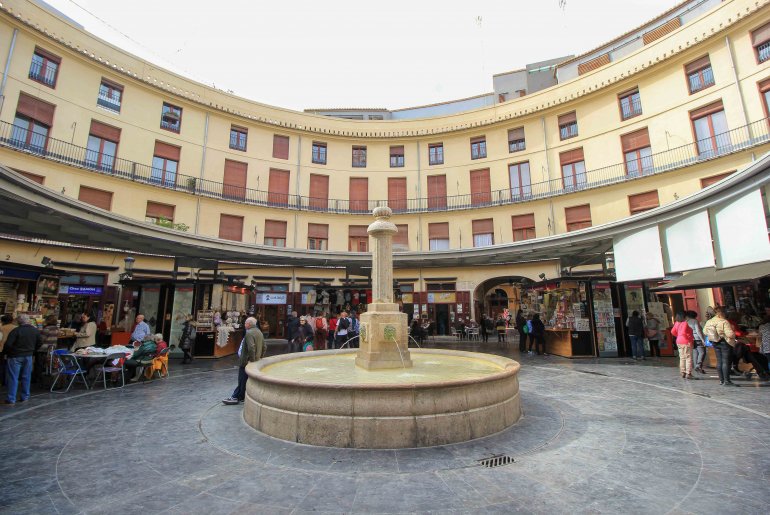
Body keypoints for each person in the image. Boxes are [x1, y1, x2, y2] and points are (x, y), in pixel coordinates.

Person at [222, 317, 264, 405]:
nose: (244, 325)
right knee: (243, 380)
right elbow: (264, 346)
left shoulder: (249, 333)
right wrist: (260, 357)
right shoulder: (259, 332)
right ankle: (239, 396)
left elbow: (251, 347)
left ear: (249, 324)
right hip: (254, 360)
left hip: (246, 361)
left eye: (245, 323)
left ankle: (235, 397)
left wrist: (252, 359)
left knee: (241, 379)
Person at [3, 314, 42, 405]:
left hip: (15, 356)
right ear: (28, 321)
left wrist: (6, 352)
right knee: (26, 376)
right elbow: (39, 342)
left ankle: (11, 398)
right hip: (28, 355)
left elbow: (8, 344)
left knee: (13, 377)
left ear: (18, 321)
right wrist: (33, 350)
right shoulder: (35, 331)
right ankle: (25, 396)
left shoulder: (16, 331)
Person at [703, 307, 736, 386]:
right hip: (724, 342)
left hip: (715, 342)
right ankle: (727, 381)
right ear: (723, 313)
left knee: (719, 361)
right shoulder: (724, 321)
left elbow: (704, 331)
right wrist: (733, 331)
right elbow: (730, 334)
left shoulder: (709, 321)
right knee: (726, 362)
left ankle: (721, 380)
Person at [671, 312, 695, 379]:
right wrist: (688, 337)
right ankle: (688, 373)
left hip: (679, 341)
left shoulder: (676, 323)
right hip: (686, 341)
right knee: (688, 357)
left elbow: (672, 332)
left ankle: (682, 372)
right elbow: (684, 332)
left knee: (682, 357)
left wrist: (678, 336)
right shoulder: (685, 323)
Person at [1, 313, 18, 386]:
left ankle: (2, 381)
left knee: (2, 365)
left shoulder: (1, 328)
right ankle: (9, 381)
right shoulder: (16, 328)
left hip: (1, 348)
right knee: (12, 367)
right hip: (13, 349)